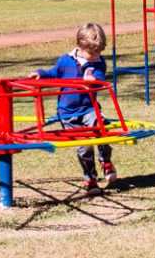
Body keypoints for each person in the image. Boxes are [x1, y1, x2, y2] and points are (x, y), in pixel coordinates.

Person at [29, 22, 117, 196]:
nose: (94, 57)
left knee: (102, 129)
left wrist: (93, 78)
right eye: (91, 53)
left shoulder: (98, 62)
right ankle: (90, 179)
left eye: (98, 53)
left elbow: (99, 77)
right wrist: (41, 73)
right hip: (68, 113)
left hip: (89, 108)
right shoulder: (65, 61)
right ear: (79, 46)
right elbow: (54, 73)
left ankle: (106, 161)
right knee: (84, 147)